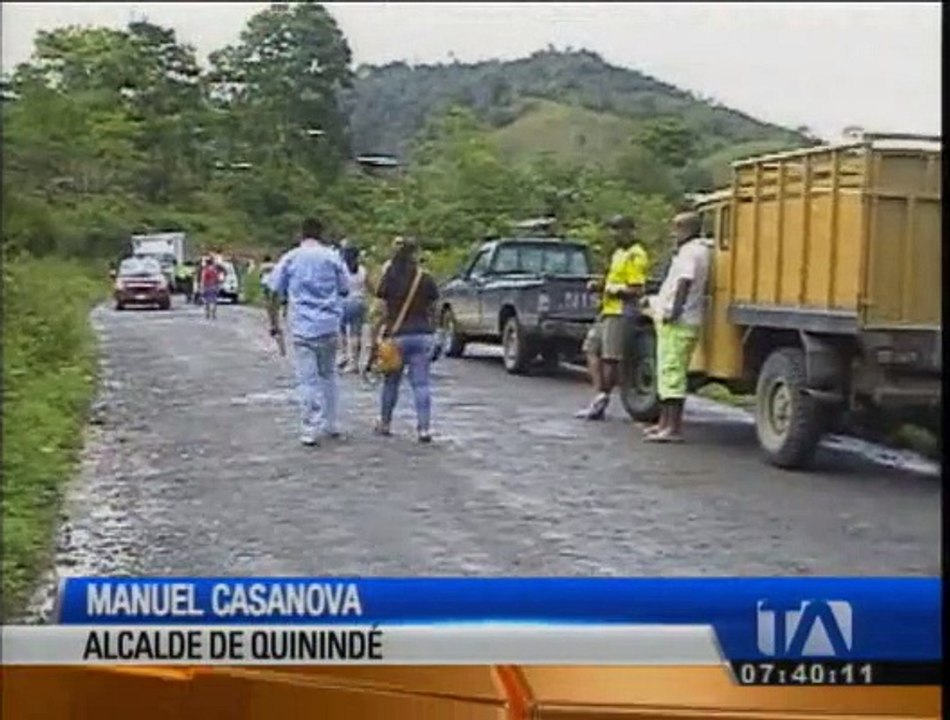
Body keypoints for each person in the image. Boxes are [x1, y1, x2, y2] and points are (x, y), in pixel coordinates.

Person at [267, 217, 349, 447]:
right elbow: (344, 289)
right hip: (329, 324)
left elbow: (274, 291)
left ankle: (309, 429)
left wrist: (274, 323)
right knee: (328, 375)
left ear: (301, 234)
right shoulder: (332, 257)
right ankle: (330, 423)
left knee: (307, 380)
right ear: (321, 233)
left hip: (302, 326)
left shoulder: (291, 258)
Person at [643, 211, 713, 443]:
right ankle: (664, 424)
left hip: (680, 321)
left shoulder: (691, 252)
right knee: (666, 373)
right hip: (678, 319)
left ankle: (672, 427)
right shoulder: (696, 250)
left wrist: (675, 310)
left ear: (687, 229)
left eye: (677, 228)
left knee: (672, 374)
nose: (674, 234)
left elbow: (685, 281)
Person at [576, 215, 650, 420]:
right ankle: (599, 394)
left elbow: (636, 289)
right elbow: (611, 278)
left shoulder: (636, 255)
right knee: (591, 348)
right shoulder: (618, 253)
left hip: (621, 311)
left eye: (619, 230)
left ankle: (603, 399)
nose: (615, 234)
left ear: (630, 231)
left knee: (611, 357)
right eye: (613, 230)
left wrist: (614, 290)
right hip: (607, 310)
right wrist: (599, 285)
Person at [373, 236, 440, 443]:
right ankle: (424, 428)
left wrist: (377, 333)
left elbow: (381, 309)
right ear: (415, 254)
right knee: (421, 384)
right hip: (422, 335)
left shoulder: (390, 277)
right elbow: (434, 308)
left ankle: (385, 423)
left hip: (396, 336)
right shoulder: (425, 278)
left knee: (390, 383)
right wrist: (434, 331)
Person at [338, 245, 369, 373]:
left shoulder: (341, 269)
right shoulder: (362, 270)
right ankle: (354, 362)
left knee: (341, 330)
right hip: (359, 302)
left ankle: (343, 355)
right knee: (356, 334)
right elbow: (370, 287)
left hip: (343, 302)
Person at [199, 254, 223, 320]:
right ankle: (213, 314)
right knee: (214, 301)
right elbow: (218, 278)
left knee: (206, 301)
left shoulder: (205, 270)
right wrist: (218, 286)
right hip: (214, 286)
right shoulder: (215, 270)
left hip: (207, 286)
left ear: (207, 263)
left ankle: (207, 313)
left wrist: (201, 287)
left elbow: (203, 279)